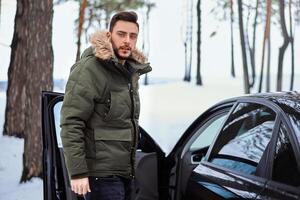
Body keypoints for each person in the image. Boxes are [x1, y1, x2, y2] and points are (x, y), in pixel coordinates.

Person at [60, 11, 152, 200]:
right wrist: (78, 172)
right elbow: (71, 122)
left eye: (132, 36)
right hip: (100, 177)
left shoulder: (129, 73)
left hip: (126, 174)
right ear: (109, 36)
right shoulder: (89, 69)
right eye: (121, 34)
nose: (127, 40)